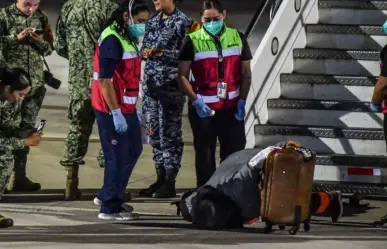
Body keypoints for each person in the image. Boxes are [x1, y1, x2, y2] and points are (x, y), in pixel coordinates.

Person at [174, 141, 343, 230]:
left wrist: (283, 147)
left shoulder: (240, 192)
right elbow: (189, 203)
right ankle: (328, 201)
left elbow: (257, 160)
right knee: (281, 203)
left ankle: (329, 201)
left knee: (284, 207)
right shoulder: (203, 197)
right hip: (236, 161)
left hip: (249, 164)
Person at [177, 0, 252, 188]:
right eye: (206, 20)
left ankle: (231, 193)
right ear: (201, 19)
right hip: (204, 111)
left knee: (233, 156)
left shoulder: (238, 37)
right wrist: (196, 101)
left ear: (223, 15)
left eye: (215, 19)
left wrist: (242, 100)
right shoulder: (192, 41)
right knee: (205, 156)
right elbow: (182, 77)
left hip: (231, 109)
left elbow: (246, 75)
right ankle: (206, 195)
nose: (211, 23)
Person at [54, 0, 118, 200]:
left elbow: (60, 46)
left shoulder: (69, 7)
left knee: (77, 127)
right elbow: (116, 44)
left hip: (78, 81)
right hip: (104, 80)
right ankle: (111, 185)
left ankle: (70, 183)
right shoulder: (110, 8)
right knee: (110, 129)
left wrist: (78, 57)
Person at [91, 0, 149, 220]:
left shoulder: (126, 36)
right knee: (117, 156)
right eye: (140, 21)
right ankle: (109, 207)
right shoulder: (113, 40)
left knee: (134, 149)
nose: (142, 26)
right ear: (127, 17)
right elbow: (105, 80)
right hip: (110, 108)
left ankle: (109, 193)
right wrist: (115, 113)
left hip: (127, 106)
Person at [139, 0, 193, 198]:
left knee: (170, 136)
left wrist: (163, 53)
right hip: (151, 88)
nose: (155, 1)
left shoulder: (183, 23)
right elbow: (143, 46)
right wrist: (144, 53)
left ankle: (170, 181)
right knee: (153, 135)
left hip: (170, 88)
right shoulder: (152, 22)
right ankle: (160, 178)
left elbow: (188, 54)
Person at [0, 0, 53, 192]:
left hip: (34, 87)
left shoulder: (41, 17)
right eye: (27, 4)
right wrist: (17, 37)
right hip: (10, 89)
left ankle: (18, 176)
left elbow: (50, 49)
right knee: (7, 129)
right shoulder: (3, 16)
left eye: (35, 4)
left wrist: (40, 42)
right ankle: (3, 178)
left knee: (27, 130)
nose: (31, 9)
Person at [0, 68, 42, 228]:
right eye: (20, 94)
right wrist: (24, 142)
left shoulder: (7, 99)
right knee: (3, 160)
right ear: (7, 88)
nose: (21, 99)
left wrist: (24, 133)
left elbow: (4, 128)